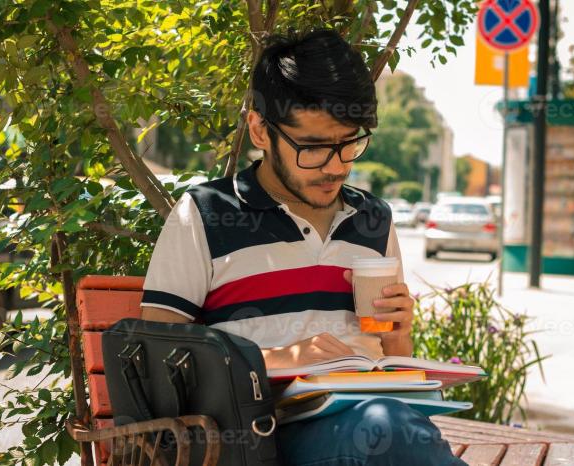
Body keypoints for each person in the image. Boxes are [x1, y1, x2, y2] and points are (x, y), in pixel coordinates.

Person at [141, 28, 465, 466]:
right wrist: (279, 359)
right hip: (257, 441)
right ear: (260, 129)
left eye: (349, 143)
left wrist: (399, 334)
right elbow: (156, 361)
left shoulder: (374, 220)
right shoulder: (204, 214)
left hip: (366, 425)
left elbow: (392, 359)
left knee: (390, 425)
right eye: (312, 147)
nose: (336, 166)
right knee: (387, 427)